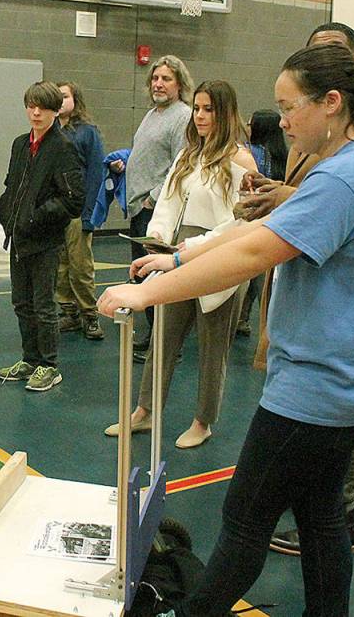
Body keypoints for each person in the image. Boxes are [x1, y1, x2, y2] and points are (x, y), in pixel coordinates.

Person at [98, 43, 354, 616]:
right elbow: (260, 227)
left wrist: (147, 293)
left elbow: (254, 254)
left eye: (289, 106)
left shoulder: (347, 176)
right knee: (321, 514)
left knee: (245, 518)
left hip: (320, 388)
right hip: (350, 383)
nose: (282, 121)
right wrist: (178, 259)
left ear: (331, 103)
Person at [239, 22, 354, 559]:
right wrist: (282, 195)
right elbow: (310, 202)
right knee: (317, 511)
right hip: (309, 313)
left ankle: (346, 514)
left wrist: (171, 271)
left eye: (329, 56)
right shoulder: (318, 140)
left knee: (250, 514)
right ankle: (329, 519)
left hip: (334, 344)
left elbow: (335, 204)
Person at [104, 81, 257, 446]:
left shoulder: (241, 160)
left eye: (209, 109)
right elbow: (169, 201)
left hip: (221, 256)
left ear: (226, 112)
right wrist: (157, 242)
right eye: (198, 108)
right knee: (164, 338)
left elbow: (242, 220)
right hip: (179, 252)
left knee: (213, 345)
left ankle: (203, 420)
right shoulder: (190, 154)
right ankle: (145, 410)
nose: (201, 116)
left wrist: (197, 245)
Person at [0, 81, 84, 392]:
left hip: (44, 240)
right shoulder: (20, 144)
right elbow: (12, 186)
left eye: (43, 107)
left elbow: (73, 200)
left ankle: (49, 364)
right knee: (21, 302)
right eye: (31, 105)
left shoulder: (63, 147)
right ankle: (29, 358)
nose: (35, 112)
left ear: (54, 111)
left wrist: (36, 216)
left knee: (43, 304)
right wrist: (7, 213)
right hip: (18, 238)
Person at [110, 56, 193, 354]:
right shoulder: (153, 114)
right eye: (155, 78)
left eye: (166, 79)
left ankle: (167, 346)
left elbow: (181, 164)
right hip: (140, 209)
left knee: (158, 276)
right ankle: (154, 335)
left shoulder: (182, 116)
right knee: (144, 274)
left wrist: (154, 196)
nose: (158, 83)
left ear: (180, 84)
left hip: (155, 211)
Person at [55, 81, 107, 341]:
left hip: (78, 211)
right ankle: (68, 311)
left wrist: (90, 214)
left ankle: (89, 314)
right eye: (57, 96)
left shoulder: (87, 132)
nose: (61, 100)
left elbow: (97, 172)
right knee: (60, 265)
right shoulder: (51, 130)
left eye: (65, 96)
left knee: (80, 265)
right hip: (57, 210)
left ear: (76, 100)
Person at [237, 109, 287, 336]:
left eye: (250, 123)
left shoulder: (249, 153)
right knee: (262, 282)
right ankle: (249, 320)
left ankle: (246, 320)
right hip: (276, 223)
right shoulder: (284, 156)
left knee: (249, 277)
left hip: (253, 222)